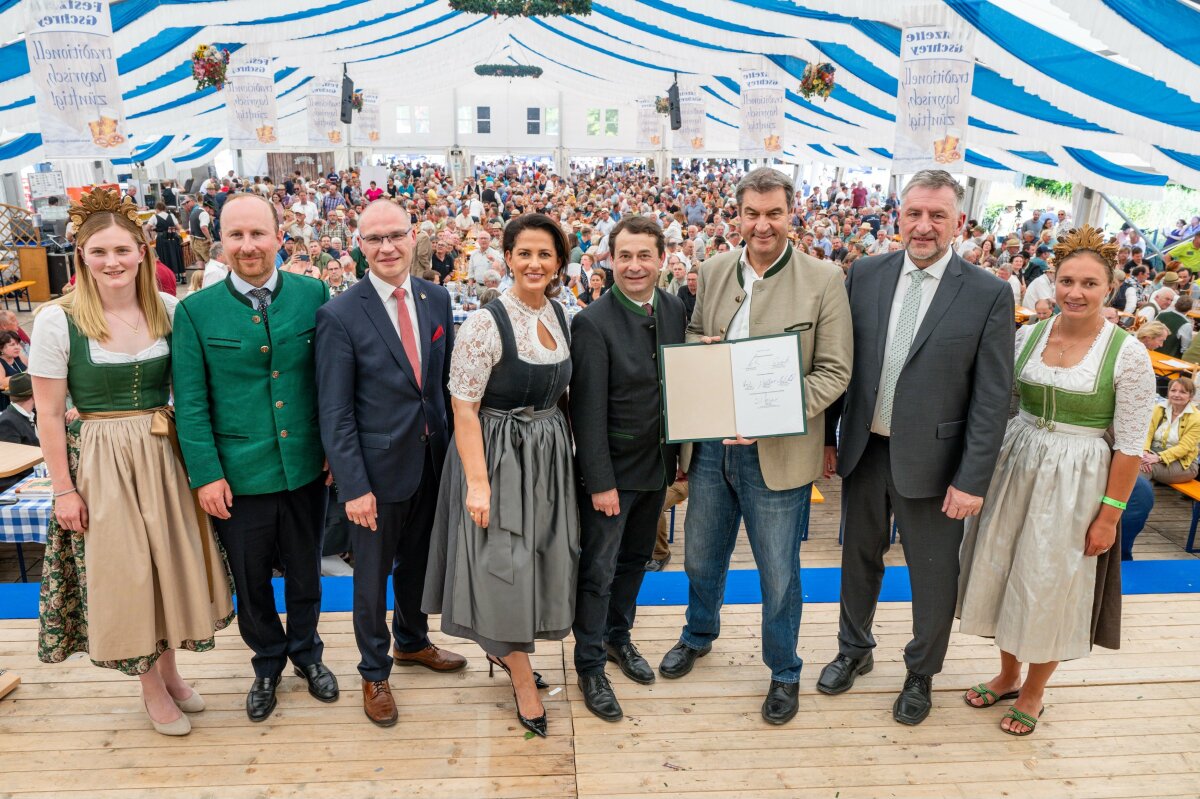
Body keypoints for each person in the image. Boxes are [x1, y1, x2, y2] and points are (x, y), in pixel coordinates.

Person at [31, 188, 233, 736]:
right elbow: (49, 415)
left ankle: (170, 672)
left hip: (163, 454)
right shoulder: (58, 320)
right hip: (100, 461)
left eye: (122, 250)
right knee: (128, 574)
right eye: (98, 252)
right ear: (82, 258)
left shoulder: (167, 310)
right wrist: (63, 490)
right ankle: (150, 688)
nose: (112, 262)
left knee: (166, 566)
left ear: (144, 251)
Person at [819, 169, 1015, 727]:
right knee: (858, 559)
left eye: (937, 216)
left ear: (958, 223)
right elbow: (841, 364)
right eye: (914, 213)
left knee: (932, 573)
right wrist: (832, 438)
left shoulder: (988, 293)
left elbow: (993, 397)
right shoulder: (866, 273)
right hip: (864, 450)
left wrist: (973, 478)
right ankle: (853, 649)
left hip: (938, 465)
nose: (923, 226)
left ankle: (920, 673)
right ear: (898, 216)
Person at [661, 168, 852, 726]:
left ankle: (784, 670)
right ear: (737, 216)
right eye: (752, 214)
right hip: (713, 446)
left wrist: (772, 416)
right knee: (700, 557)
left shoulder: (823, 279)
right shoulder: (715, 268)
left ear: (792, 215)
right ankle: (698, 634)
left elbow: (835, 371)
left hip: (778, 452)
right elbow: (694, 335)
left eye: (774, 213)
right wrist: (706, 347)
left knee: (778, 573)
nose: (762, 224)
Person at [958, 227, 1154, 736]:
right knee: (1005, 570)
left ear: (1109, 288)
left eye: (1089, 283)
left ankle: (1034, 690)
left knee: (1049, 584)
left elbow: (1130, 445)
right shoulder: (1029, 335)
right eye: (1067, 280)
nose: (1075, 292)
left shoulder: (1128, 353)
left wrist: (1109, 516)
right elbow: (1006, 404)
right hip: (1017, 461)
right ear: (1052, 281)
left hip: (1078, 476)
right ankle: (1006, 673)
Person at [172, 193, 337, 723]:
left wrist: (335, 453)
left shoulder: (315, 294)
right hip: (239, 477)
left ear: (278, 236)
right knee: (251, 579)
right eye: (236, 235)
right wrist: (207, 474)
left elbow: (330, 383)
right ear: (219, 240)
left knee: (307, 571)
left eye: (258, 234)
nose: (248, 246)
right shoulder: (196, 311)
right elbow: (191, 403)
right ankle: (267, 662)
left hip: (306, 465)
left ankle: (308, 655)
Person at [423, 213, 579, 739]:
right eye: (524, 253)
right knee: (504, 564)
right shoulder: (486, 323)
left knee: (537, 558)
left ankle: (511, 653)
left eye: (545, 254)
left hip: (547, 456)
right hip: (497, 454)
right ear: (507, 257)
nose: (534, 263)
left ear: (559, 261)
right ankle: (520, 676)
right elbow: (463, 408)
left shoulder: (559, 312)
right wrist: (478, 482)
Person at [315, 200, 466, 727]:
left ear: (413, 236)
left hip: (431, 464)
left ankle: (412, 641)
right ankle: (374, 671)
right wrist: (354, 486)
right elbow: (335, 412)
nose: (386, 247)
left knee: (419, 565)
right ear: (359, 244)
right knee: (371, 578)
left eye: (395, 236)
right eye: (374, 239)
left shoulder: (436, 297)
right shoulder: (339, 313)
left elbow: (442, 388)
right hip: (375, 477)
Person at [568, 215, 687, 721]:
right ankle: (590, 662)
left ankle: (620, 639)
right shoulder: (592, 322)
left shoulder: (675, 307)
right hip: (613, 472)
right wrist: (601, 482)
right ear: (609, 260)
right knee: (597, 571)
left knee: (636, 561)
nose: (635, 266)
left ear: (662, 259)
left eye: (644, 256)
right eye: (625, 256)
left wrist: (680, 460)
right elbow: (587, 412)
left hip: (657, 467)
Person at [1141, 377, 1200, 485]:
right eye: (1173, 390)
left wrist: (1158, 458)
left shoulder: (1196, 418)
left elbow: (1184, 448)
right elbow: (1147, 433)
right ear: (1168, 392)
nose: (1176, 394)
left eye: (1183, 392)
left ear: (1190, 396)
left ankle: (1128, 500)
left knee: (1143, 468)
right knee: (1134, 461)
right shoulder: (1158, 408)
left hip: (1182, 463)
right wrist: (1144, 453)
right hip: (1152, 453)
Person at [0, 372, 38, 491]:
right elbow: (11, 467)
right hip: (18, 487)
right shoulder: (8, 422)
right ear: (34, 395)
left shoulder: (28, 415)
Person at [151, 201, 186, 283]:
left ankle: (170, 277)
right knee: (177, 257)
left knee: (164, 258)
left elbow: (147, 227)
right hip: (173, 238)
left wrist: (155, 229)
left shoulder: (154, 217)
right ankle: (183, 277)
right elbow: (178, 227)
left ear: (157, 209)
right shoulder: (171, 215)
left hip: (162, 240)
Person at [0, 330, 26, 411]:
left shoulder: (18, 356)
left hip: (23, 399)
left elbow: (32, 368)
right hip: (7, 403)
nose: (17, 347)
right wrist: (26, 374)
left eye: (18, 343)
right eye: (12, 345)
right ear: (1, 348)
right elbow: (2, 383)